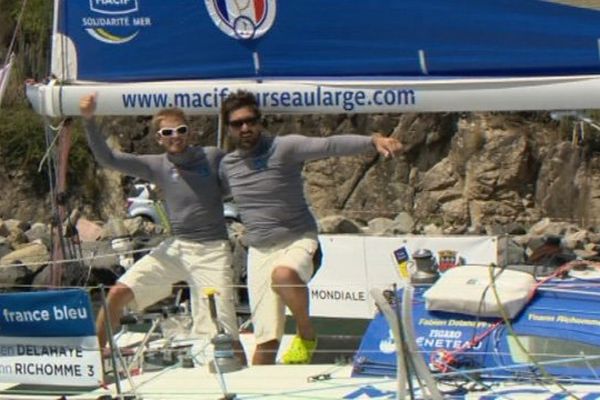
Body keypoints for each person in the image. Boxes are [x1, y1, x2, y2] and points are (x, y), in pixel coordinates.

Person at [219, 90, 403, 365]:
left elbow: (329, 145)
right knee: (266, 342)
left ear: (260, 121)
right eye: (237, 123)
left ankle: (306, 333)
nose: (246, 127)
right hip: (258, 248)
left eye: (251, 120)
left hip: (299, 240)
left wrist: (373, 140)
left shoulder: (285, 147)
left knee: (282, 274)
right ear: (229, 128)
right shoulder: (227, 165)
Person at [79, 94, 246, 364]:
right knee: (117, 294)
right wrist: (88, 120)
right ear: (159, 138)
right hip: (177, 247)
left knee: (224, 327)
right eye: (167, 132)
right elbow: (108, 158)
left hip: (212, 251)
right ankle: (95, 359)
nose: (175, 136)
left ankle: (246, 374)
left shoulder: (212, 156)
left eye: (181, 130)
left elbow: (237, 180)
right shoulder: (155, 165)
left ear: (189, 131)